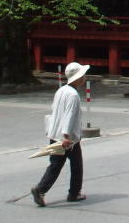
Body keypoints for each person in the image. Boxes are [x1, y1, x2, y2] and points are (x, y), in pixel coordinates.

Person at [31, 61, 90, 207]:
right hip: (68, 138)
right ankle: (74, 193)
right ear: (77, 78)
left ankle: (40, 189)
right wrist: (66, 137)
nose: (84, 78)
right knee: (77, 165)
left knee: (56, 164)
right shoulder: (73, 95)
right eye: (83, 75)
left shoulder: (61, 90)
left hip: (55, 134)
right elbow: (69, 116)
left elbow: (55, 111)